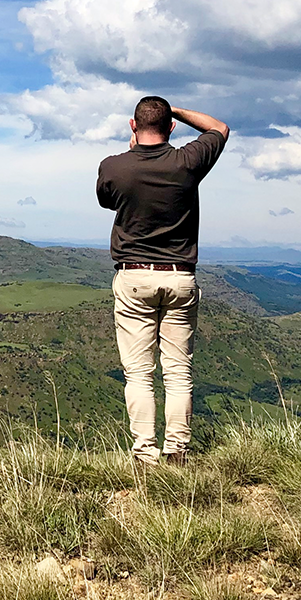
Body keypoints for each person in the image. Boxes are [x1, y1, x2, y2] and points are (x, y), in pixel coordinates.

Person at [95, 97, 229, 466]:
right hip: (180, 278)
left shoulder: (114, 166)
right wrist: (180, 111)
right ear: (171, 127)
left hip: (134, 276)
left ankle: (144, 454)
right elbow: (219, 128)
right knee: (178, 371)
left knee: (138, 373)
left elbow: (108, 201)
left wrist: (133, 152)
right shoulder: (187, 161)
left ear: (132, 126)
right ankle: (177, 452)